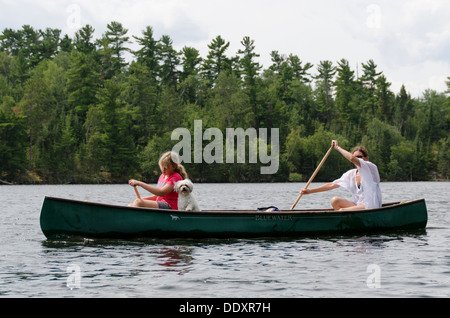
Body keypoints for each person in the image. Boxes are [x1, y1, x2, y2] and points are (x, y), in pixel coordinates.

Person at [300, 140, 382, 211]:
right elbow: (331, 185)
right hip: (358, 205)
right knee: (335, 200)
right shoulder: (351, 174)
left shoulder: (371, 167)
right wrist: (310, 191)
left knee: (342, 210)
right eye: (356, 156)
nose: (357, 159)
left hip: (370, 206)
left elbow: (352, 159)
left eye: (360, 157)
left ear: (366, 158)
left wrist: (337, 147)